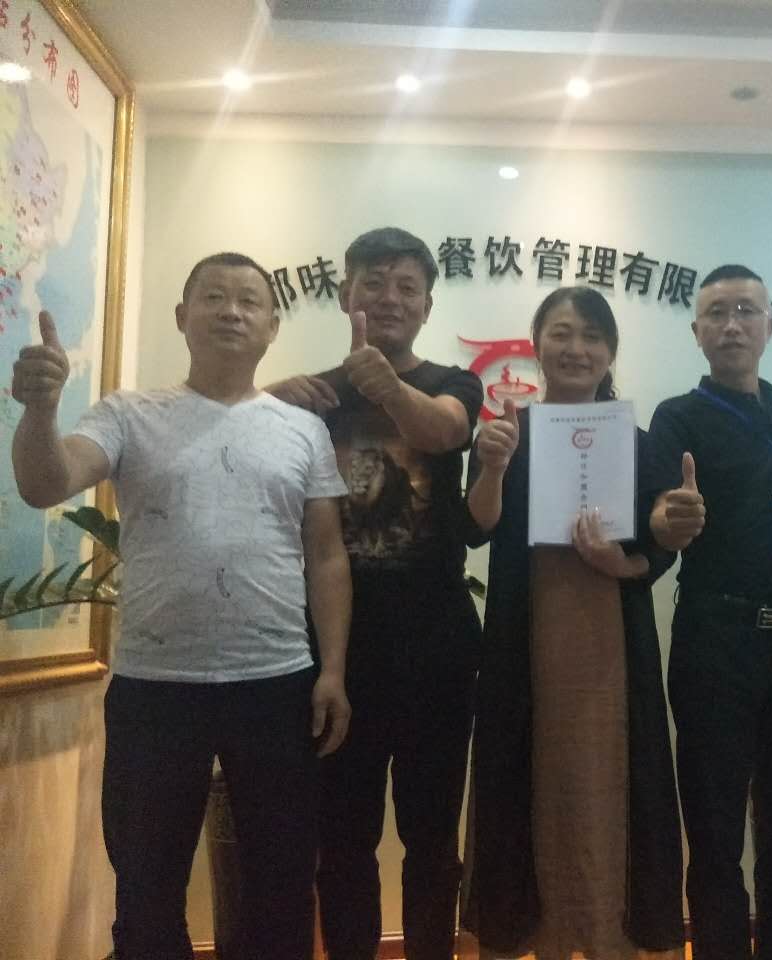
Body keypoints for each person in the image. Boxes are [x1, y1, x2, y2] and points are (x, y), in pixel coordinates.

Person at [9, 252, 352, 960]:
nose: (231, 311)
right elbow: (47, 482)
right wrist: (41, 411)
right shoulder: (129, 414)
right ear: (181, 316)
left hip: (276, 682)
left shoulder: (303, 430)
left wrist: (333, 671)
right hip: (155, 690)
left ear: (272, 326)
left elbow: (326, 556)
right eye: (214, 296)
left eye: (249, 301)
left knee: (282, 886)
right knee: (146, 889)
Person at [268, 226, 484, 960]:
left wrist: (386, 386)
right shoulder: (311, 395)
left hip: (437, 653)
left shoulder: (454, 383)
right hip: (335, 654)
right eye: (374, 282)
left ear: (427, 305)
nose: (390, 298)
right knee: (342, 841)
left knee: (433, 840)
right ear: (345, 294)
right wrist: (267, 399)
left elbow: (444, 433)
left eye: (406, 287)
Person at [460, 286, 684, 960]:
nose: (576, 348)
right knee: (526, 778)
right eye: (561, 333)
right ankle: (541, 935)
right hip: (525, 642)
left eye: (591, 336)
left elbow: (660, 541)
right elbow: (477, 526)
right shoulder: (506, 433)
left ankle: (610, 935)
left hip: (612, 648)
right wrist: (492, 466)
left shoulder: (638, 443)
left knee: (612, 783)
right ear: (537, 344)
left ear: (610, 351)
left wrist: (628, 560)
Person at [648, 264, 772, 960]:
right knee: (715, 832)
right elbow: (656, 516)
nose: (732, 325)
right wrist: (668, 519)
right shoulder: (677, 418)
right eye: (717, 313)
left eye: (747, 311)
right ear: (697, 332)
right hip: (714, 642)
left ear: (769, 327)